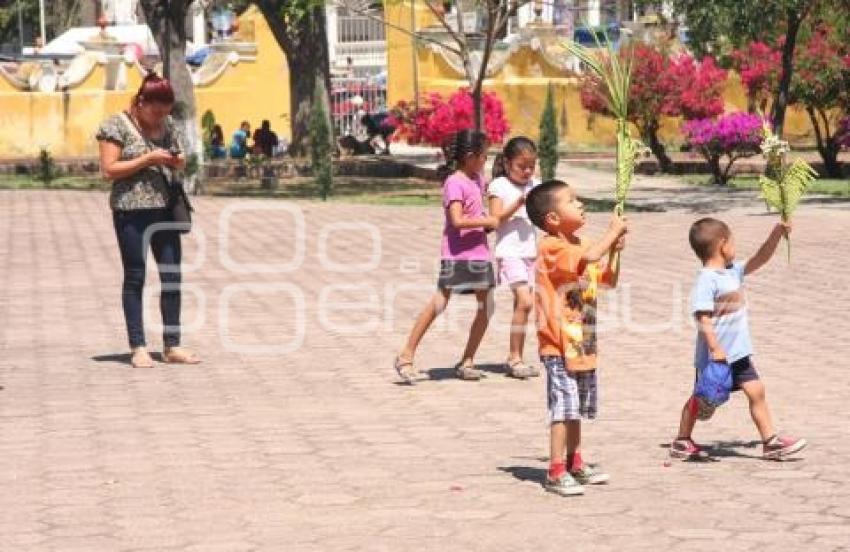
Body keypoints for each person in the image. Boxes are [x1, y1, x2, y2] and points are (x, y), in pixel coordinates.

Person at [670, 218, 806, 460]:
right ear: (723, 245)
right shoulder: (707, 279)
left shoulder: (733, 272)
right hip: (716, 357)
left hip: (739, 353)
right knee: (700, 398)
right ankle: (682, 439)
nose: (736, 247)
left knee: (757, 391)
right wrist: (715, 348)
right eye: (733, 242)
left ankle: (770, 442)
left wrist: (776, 233)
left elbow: (760, 258)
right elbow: (702, 317)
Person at [526, 180, 627, 496]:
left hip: (581, 341)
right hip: (558, 343)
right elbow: (587, 259)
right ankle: (555, 471)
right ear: (553, 219)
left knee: (577, 407)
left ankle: (575, 462)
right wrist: (611, 234)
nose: (581, 203)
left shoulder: (578, 243)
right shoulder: (551, 247)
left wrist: (615, 253)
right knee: (563, 407)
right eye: (572, 200)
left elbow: (607, 280)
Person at [96, 72, 201, 369]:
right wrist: (148, 159)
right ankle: (138, 346)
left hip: (166, 209)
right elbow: (108, 170)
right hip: (131, 212)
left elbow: (180, 158)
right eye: (155, 111)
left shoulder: (167, 125)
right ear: (140, 102)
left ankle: (172, 344)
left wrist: (177, 161)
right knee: (135, 276)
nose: (160, 118)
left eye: (165, 112)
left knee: (172, 278)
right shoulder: (115, 125)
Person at [394, 129, 497, 383]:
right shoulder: (455, 182)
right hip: (457, 254)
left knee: (487, 306)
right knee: (439, 303)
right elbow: (457, 220)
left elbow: (486, 202)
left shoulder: (477, 178)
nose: (487, 160)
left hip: (480, 253)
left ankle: (467, 360)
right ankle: (406, 355)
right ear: (471, 156)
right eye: (484, 156)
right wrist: (485, 221)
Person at [488, 136, 541, 379]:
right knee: (525, 302)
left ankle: (516, 355)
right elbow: (495, 219)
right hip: (509, 253)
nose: (527, 171)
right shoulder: (499, 186)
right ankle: (514, 357)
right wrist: (519, 203)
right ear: (508, 163)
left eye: (531, 166)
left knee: (524, 307)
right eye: (522, 166)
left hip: (530, 253)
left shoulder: (535, 185)